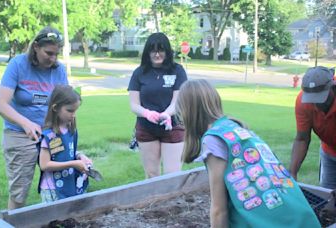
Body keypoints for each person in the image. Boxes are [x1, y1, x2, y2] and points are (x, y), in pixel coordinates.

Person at [176, 79, 320, 227]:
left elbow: (219, 210)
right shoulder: (234, 126)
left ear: (187, 112)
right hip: (296, 213)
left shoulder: (213, 140)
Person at [0, 26, 69, 209]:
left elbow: (64, 104)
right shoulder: (18, 64)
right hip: (20, 135)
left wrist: (67, 133)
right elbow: (1, 105)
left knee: (61, 184)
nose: (53, 59)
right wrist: (26, 123)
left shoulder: (59, 70)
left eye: (56, 54)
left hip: (51, 134)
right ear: (36, 46)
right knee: (19, 192)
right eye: (48, 53)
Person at [127, 32, 188, 178]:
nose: (157, 54)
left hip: (173, 125)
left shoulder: (177, 71)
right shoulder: (139, 73)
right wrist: (147, 113)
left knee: (172, 175)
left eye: (161, 50)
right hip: (146, 128)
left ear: (167, 51)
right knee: (152, 174)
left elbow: (178, 101)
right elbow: (134, 105)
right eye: (153, 50)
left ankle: (172, 201)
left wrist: (167, 114)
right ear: (147, 52)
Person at [38, 85, 92, 202]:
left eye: (75, 111)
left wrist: (80, 156)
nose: (73, 115)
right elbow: (44, 164)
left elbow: (68, 150)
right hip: (52, 188)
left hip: (69, 183)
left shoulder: (70, 129)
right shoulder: (49, 135)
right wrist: (73, 163)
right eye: (69, 110)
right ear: (55, 108)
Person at [290, 66, 336, 189]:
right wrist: (292, 173)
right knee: (327, 197)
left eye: (321, 98)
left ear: (332, 87)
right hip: (329, 152)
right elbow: (302, 139)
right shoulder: (303, 101)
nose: (317, 103)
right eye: (313, 99)